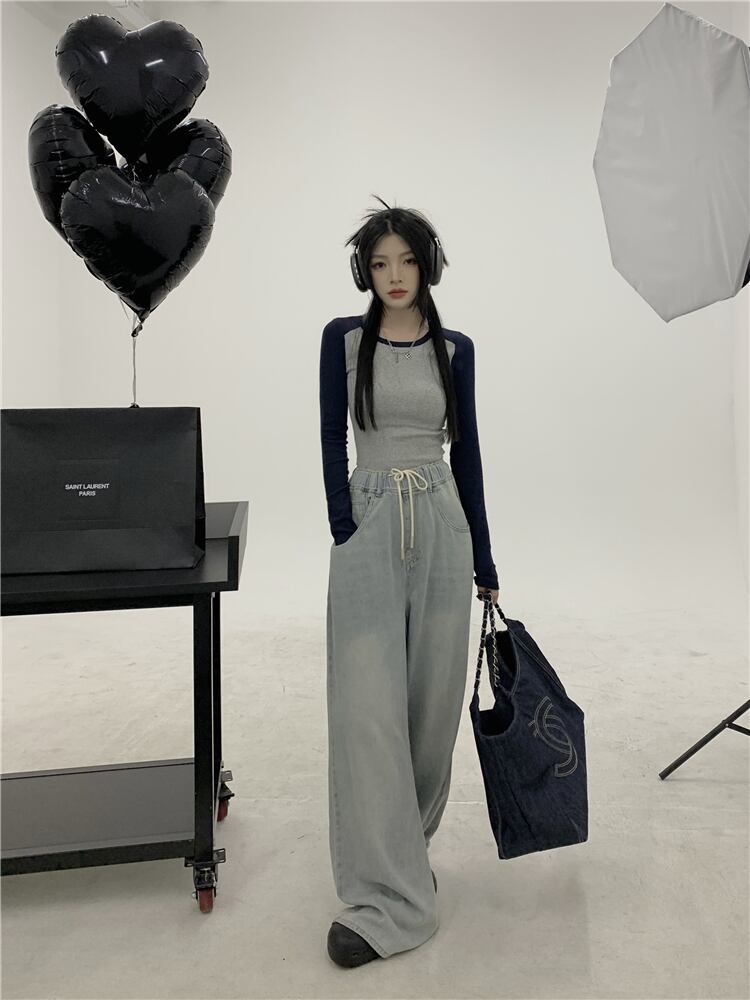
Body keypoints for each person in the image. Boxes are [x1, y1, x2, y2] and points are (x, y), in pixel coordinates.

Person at [319, 196, 500, 967]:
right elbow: (331, 436)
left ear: (427, 266)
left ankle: (408, 852)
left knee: (430, 711)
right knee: (368, 712)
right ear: (365, 271)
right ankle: (383, 900)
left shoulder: (455, 350)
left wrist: (485, 560)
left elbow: (469, 456)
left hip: (442, 527)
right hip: (370, 525)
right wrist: (344, 524)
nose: (393, 275)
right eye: (379, 263)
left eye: (406, 261)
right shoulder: (342, 340)